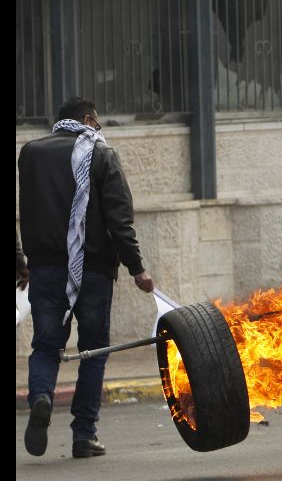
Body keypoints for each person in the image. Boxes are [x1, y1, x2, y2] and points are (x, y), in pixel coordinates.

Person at [18, 97, 155, 459]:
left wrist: (23, 261)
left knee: (47, 346)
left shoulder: (30, 153)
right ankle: (84, 435)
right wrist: (136, 267)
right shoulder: (101, 154)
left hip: (45, 269)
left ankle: (43, 396)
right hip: (92, 270)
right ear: (89, 118)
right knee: (93, 352)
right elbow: (119, 219)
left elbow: (24, 211)